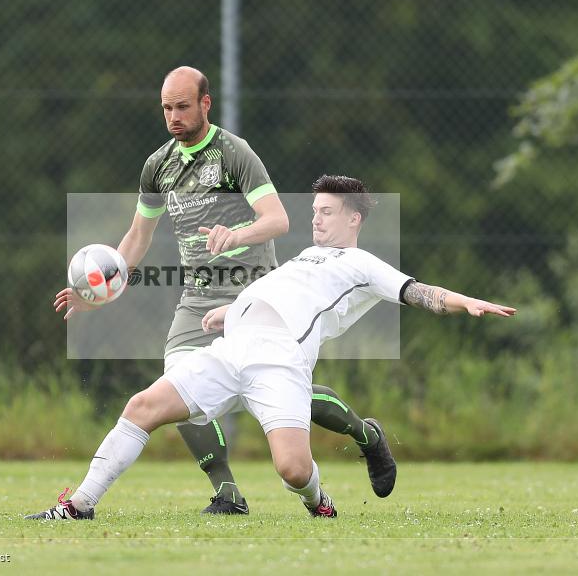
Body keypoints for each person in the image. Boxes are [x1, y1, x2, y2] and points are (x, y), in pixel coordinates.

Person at [28, 175, 516, 520]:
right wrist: (232, 311)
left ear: (353, 220)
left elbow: (416, 292)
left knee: (292, 469)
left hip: (280, 363)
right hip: (231, 346)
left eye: (326, 212)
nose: (317, 220)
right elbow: (274, 291)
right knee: (142, 406)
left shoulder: (362, 264)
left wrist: (464, 301)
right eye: (314, 211)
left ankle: (318, 499)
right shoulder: (306, 254)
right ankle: (79, 505)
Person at [56, 67, 395, 515]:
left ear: (204, 104)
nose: (173, 116)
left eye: (181, 106)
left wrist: (235, 235)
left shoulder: (234, 153)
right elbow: (138, 236)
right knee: (176, 387)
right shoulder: (158, 166)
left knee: (284, 393)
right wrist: (101, 288)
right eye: (166, 108)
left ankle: (364, 434)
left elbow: (278, 220)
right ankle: (227, 492)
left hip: (255, 297)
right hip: (195, 300)